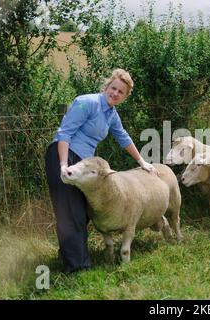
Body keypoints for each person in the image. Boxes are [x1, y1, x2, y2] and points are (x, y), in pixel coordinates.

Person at [45, 68, 157, 274]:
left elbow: (123, 137)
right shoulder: (87, 103)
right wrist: (63, 165)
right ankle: (78, 267)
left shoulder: (111, 114)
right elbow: (65, 133)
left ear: (124, 97)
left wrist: (142, 162)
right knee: (72, 213)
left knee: (82, 212)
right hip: (65, 156)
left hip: (83, 164)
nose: (115, 93)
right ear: (106, 86)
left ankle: (68, 255)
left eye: (120, 92)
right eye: (113, 88)